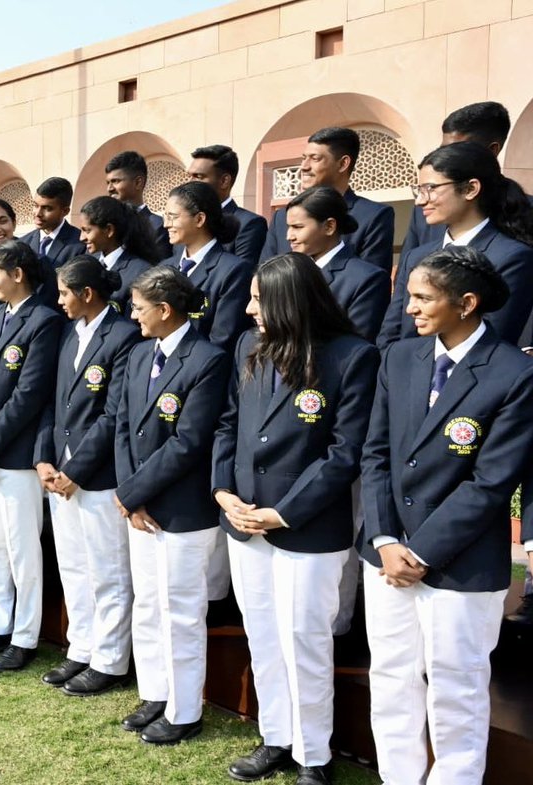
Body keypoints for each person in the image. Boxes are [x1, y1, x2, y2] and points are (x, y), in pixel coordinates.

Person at [359, 246, 533, 785]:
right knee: (391, 679)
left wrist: (421, 551)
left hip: (459, 565)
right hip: (387, 555)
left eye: (421, 297)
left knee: (456, 689)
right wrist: (387, 539)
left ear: (467, 303)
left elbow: (491, 483)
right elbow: (376, 455)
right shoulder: (401, 358)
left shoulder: (514, 373)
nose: (408, 307)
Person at [212, 254, 378, 785]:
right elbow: (228, 425)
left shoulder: (353, 357)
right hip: (243, 520)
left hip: (306, 528)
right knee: (262, 635)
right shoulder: (247, 346)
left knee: (303, 640)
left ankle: (314, 755)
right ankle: (276, 737)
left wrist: (283, 512)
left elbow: (344, 452)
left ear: (290, 301)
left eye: (259, 299)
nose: (248, 308)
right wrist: (223, 491)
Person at [113, 265, 231, 745]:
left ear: (164, 310)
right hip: (139, 508)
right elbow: (123, 424)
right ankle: (156, 693)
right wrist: (129, 494)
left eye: (139, 307)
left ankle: (184, 710)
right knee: (148, 604)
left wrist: (134, 492)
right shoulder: (141, 354)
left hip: (182, 511)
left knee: (180, 609)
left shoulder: (208, 359)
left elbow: (189, 442)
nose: (133, 315)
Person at [34, 257, 139, 697]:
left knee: (108, 572)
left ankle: (111, 660)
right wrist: (45, 458)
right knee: (75, 566)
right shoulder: (70, 333)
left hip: (97, 475)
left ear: (87, 293)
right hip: (61, 470)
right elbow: (54, 404)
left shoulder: (123, 336)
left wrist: (76, 470)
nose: (59, 301)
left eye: (64, 293)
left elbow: (114, 416)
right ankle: (82, 647)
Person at [0, 240, 62, 671]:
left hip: (14, 455)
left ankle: (25, 635)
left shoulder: (45, 321)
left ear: (17, 274)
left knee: (22, 549)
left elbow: (29, 395)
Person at [378, 141, 533, 347]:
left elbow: (491, 339)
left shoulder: (511, 257)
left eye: (431, 188)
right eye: (419, 190)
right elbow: (391, 333)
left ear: (470, 189)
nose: (420, 201)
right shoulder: (415, 257)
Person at [260, 127, 396, 273]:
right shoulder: (281, 218)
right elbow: (264, 275)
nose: (304, 167)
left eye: (315, 158)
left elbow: (372, 281)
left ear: (343, 164)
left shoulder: (373, 216)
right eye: (303, 158)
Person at [401, 102, 515, 258]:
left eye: (457, 149)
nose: (446, 157)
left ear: (492, 150)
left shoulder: (523, 214)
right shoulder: (425, 210)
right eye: (443, 150)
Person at [285, 187, 390, 342]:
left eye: (298, 227)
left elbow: (356, 345)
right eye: (288, 227)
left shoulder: (367, 279)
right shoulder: (289, 271)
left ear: (329, 226)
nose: (289, 236)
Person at [163, 181, 254, 353]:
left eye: (173, 217)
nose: (166, 224)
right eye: (165, 217)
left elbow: (222, 339)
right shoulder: (165, 267)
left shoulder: (233, 271)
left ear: (199, 219)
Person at [188, 145, 268, 265]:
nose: (189, 183)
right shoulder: (185, 222)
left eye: (199, 177)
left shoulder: (249, 225)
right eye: (189, 176)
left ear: (224, 181)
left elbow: (242, 275)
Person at [76, 196, 156, 315]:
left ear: (109, 230)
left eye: (87, 231)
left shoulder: (141, 272)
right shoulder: (87, 261)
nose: (81, 238)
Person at [105, 150, 172, 261]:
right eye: (108, 183)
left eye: (115, 181)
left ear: (138, 182)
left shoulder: (158, 226)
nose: (110, 189)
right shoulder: (106, 226)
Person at [21, 177, 88, 268]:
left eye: (47, 208)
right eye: (35, 205)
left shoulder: (80, 244)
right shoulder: (22, 243)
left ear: (65, 211)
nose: (38, 213)